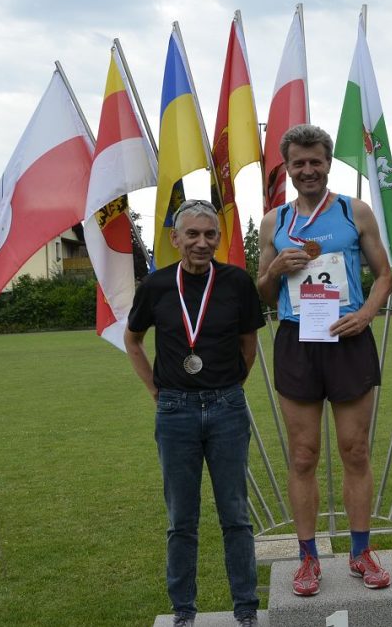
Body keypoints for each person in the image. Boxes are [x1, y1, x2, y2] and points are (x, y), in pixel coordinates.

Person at [256, 124, 392, 596]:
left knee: (355, 450)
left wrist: (366, 314)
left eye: (316, 161)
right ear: (288, 168)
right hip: (297, 340)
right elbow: (263, 292)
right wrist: (276, 269)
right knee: (303, 454)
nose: (308, 169)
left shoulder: (355, 211)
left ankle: (361, 551)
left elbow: (384, 275)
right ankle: (308, 558)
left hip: (347, 336)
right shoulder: (274, 222)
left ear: (328, 163)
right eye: (299, 163)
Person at [125, 199, 264, 627]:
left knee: (235, 515)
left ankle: (246, 608)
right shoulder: (156, 285)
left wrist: (230, 387)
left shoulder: (237, 282)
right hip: (175, 412)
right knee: (181, 520)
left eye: (209, 235)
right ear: (175, 238)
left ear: (218, 239)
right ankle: (183, 610)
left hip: (227, 408)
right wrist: (156, 390)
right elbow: (133, 340)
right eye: (192, 234)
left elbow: (249, 344)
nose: (201, 243)